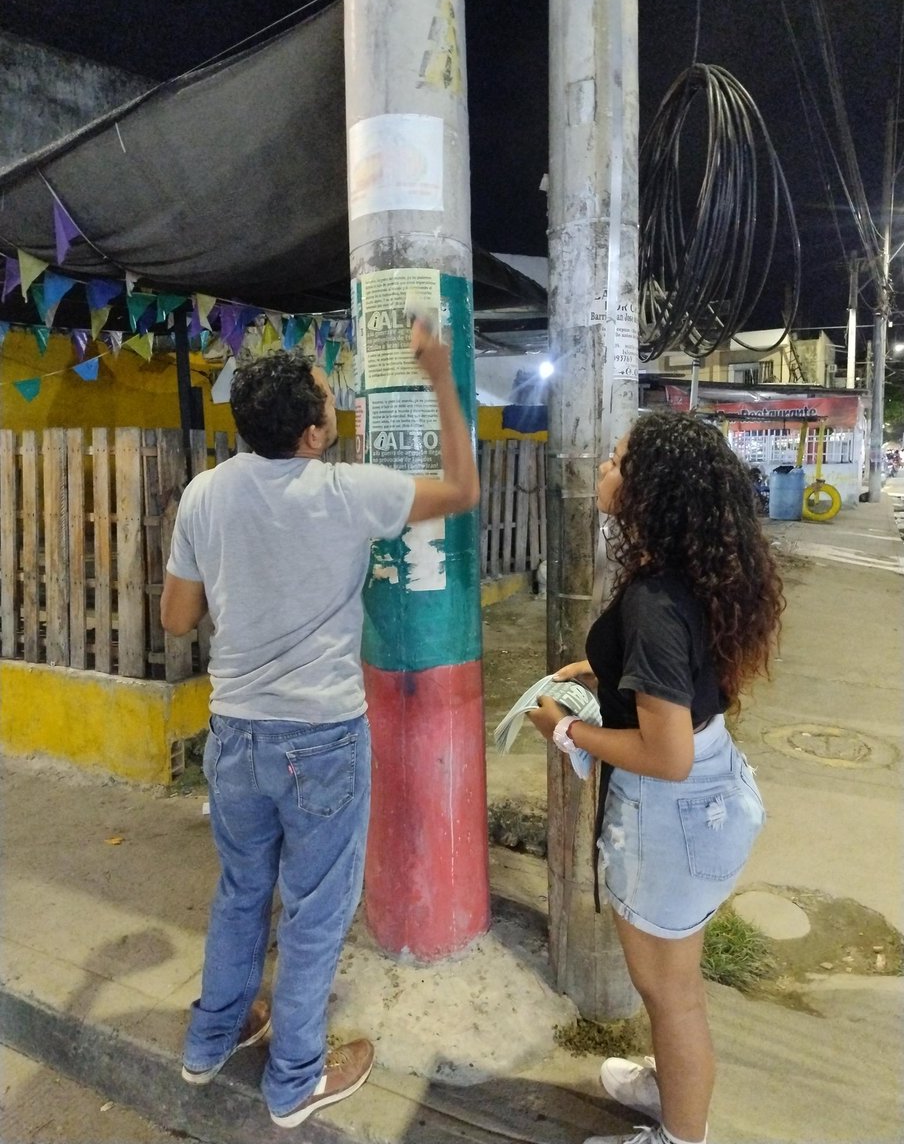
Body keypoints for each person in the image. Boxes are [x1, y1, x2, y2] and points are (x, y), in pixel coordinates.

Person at [160, 319, 479, 1128]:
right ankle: (295, 1078)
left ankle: (212, 1040)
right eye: (330, 401)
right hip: (322, 739)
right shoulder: (347, 491)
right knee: (314, 909)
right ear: (311, 433)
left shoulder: (205, 494)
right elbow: (463, 491)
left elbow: (176, 617)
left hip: (233, 732)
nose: (335, 406)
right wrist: (440, 377)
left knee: (241, 892)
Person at [528, 411, 784, 1144]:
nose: (603, 472)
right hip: (709, 794)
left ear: (650, 492)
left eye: (615, 463)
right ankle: (672, 1088)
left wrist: (568, 730)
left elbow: (665, 755)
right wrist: (604, 671)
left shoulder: (654, 602)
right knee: (677, 987)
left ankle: (678, 1134)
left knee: (669, 995)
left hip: (673, 812)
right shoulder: (695, 573)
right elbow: (682, 685)